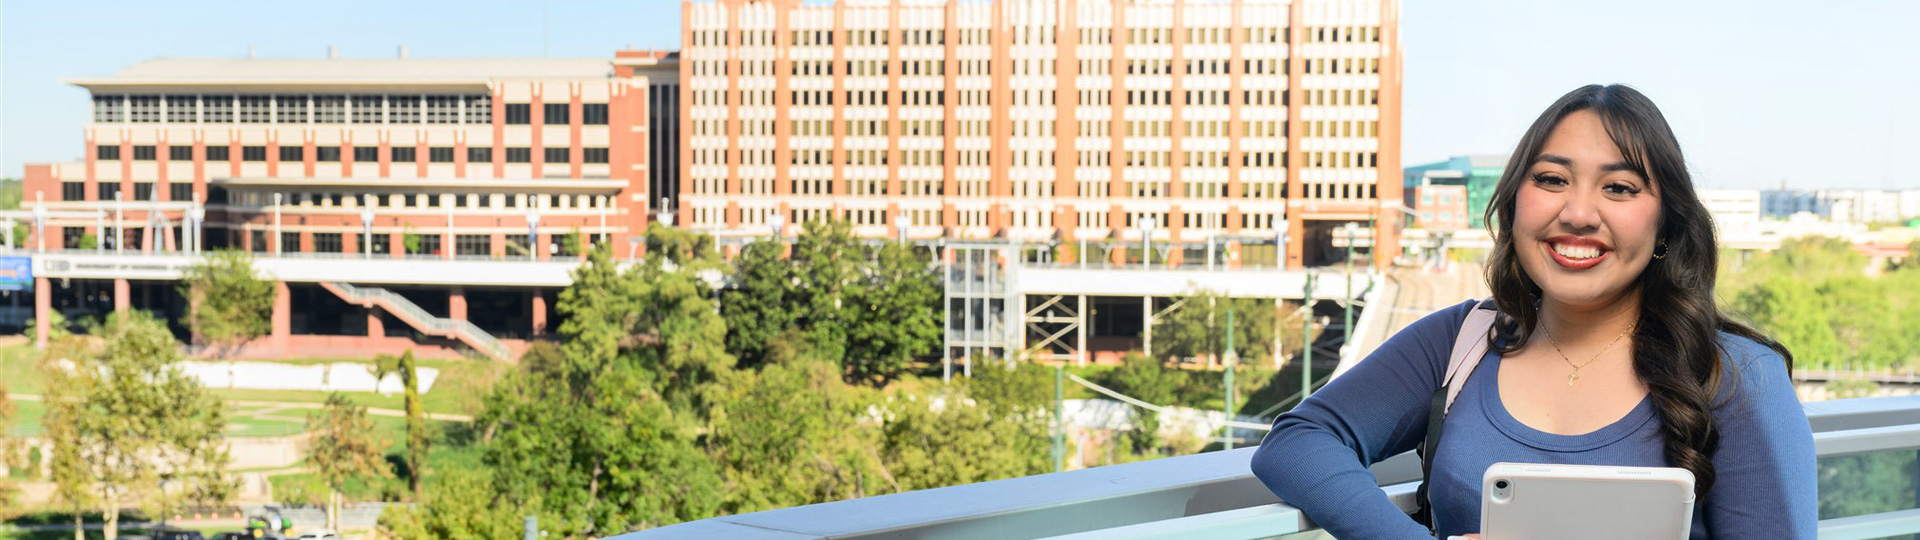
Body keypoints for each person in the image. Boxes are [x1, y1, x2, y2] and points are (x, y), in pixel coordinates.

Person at [1249, 84, 1816, 539]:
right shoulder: (1462, 341)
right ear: (1516, 200)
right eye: (1551, 179)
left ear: (1665, 223)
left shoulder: (1737, 377)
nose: (1577, 212)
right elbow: (1298, 442)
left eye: (1618, 188)